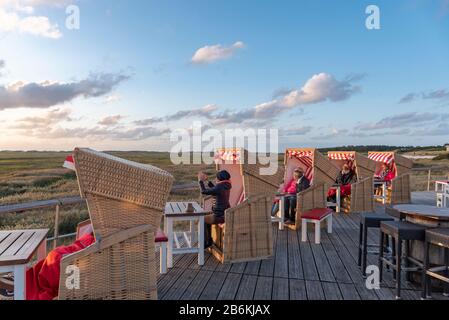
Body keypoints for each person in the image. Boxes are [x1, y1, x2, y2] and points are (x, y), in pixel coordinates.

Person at [198, 170, 232, 248]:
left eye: (216, 178)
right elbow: (215, 189)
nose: (216, 179)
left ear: (219, 178)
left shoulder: (219, 187)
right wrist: (207, 181)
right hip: (223, 214)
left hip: (218, 216)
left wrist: (200, 181)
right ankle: (208, 240)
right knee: (206, 217)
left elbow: (203, 191)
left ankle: (207, 242)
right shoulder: (227, 185)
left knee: (202, 219)